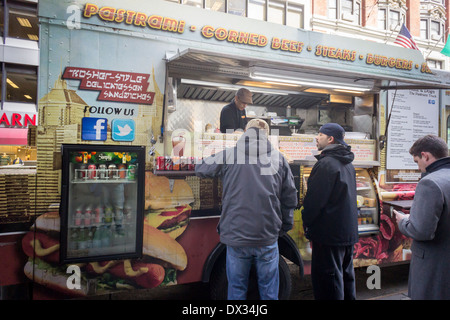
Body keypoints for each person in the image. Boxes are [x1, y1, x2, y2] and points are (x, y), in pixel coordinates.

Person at [195, 119, 297, 300]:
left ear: (244, 132)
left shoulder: (229, 155)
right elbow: (290, 198)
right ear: (266, 135)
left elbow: (201, 168)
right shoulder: (279, 158)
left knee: (236, 287)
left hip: (236, 236)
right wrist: (284, 226)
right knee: (269, 290)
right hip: (266, 236)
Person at [301, 123, 358, 300]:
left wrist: (307, 222)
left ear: (330, 139)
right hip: (346, 233)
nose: (317, 138)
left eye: (320, 134)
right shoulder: (348, 164)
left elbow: (314, 202)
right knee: (345, 278)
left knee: (329, 283)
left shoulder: (326, 164)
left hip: (329, 235)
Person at [394, 134, 450, 300]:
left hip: (433, 266)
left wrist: (403, 221)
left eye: (417, 161)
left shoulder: (430, 182)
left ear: (425, 156)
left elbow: (422, 231)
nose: (418, 167)